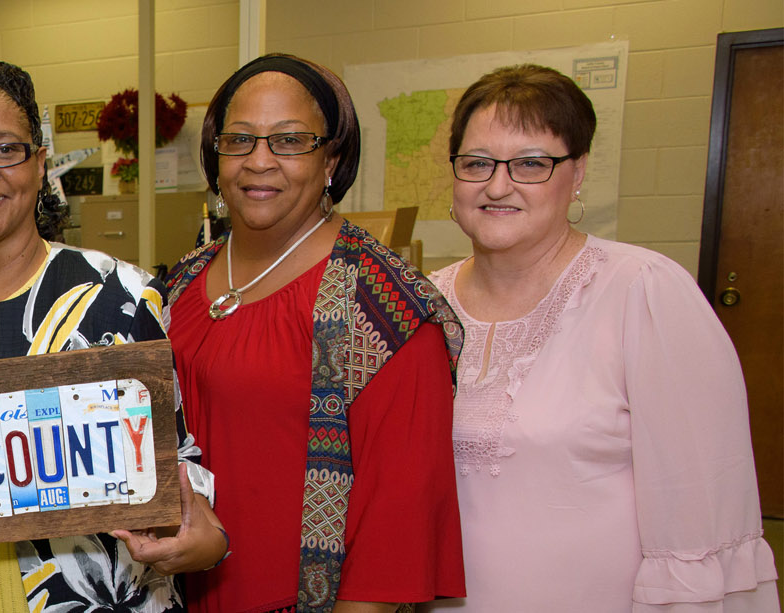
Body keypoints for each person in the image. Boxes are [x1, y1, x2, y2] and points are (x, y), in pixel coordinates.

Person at [0, 57, 227, 613]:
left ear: (39, 162)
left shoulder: (118, 299)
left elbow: (175, 465)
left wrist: (204, 541)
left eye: (5, 148)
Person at [424, 64, 779, 612]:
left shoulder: (644, 293)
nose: (498, 185)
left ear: (578, 171)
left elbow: (700, 513)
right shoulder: (420, 303)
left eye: (531, 164)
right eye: (476, 164)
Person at [164, 53, 466, 613]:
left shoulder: (386, 309)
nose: (259, 162)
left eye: (290, 140)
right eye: (239, 140)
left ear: (333, 157)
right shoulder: (179, 283)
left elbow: (395, 530)